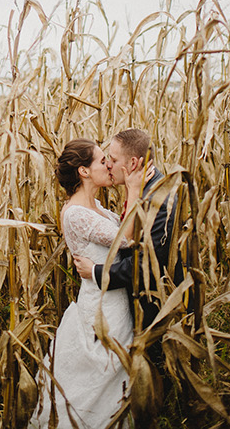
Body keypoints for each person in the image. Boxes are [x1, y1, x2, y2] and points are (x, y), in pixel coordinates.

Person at [28, 138, 147, 429]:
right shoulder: (76, 213)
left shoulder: (97, 208)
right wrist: (133, 189)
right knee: (98, 378)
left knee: (116, 381)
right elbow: (125, 240)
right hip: (101, 310)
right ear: (83, 171)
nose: (109, 165)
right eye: (102, 161)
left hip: (116, 304)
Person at [72, 128, 182, 391]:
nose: (108, 165)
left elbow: (147, 265)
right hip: (128, 305)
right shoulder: (142, 189)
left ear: (133, 163)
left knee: (157, 377)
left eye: (112, 159)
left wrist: (96, 272)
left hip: (157, 306)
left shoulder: (159, 200)